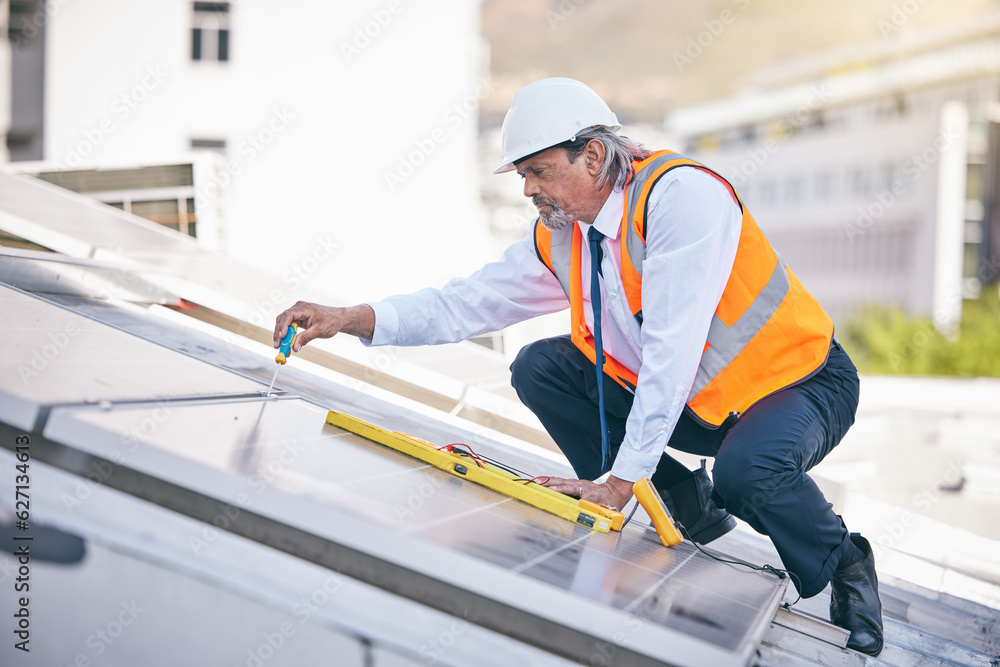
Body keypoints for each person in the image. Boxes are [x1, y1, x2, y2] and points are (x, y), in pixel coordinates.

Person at [272, 78, 883, 656]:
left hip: (798, 385)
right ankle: (681, 500)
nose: (528, 189)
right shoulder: (567, 232)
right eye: (522, 175)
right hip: (698, 404)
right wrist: (349, 317)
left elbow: (670, 353)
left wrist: (618, 483)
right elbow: (467, 302)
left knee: (746, 473)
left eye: (538, 171)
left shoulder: (682, 200)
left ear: (592, 156)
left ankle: (844, 560)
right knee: (541, 367)